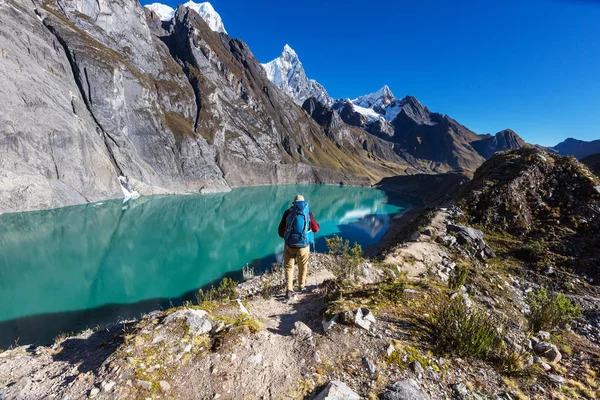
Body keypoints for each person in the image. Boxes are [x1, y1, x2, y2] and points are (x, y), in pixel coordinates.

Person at [278, 195, 320, 300]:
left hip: (289, 245)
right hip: (303, 245)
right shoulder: (307, 213)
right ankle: (301, 286)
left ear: (294, 203)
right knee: (303, 265)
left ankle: (289, 290)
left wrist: (287, 237)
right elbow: (316, 229)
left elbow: (280, 231)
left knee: (289, 267)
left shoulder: (287, 212)